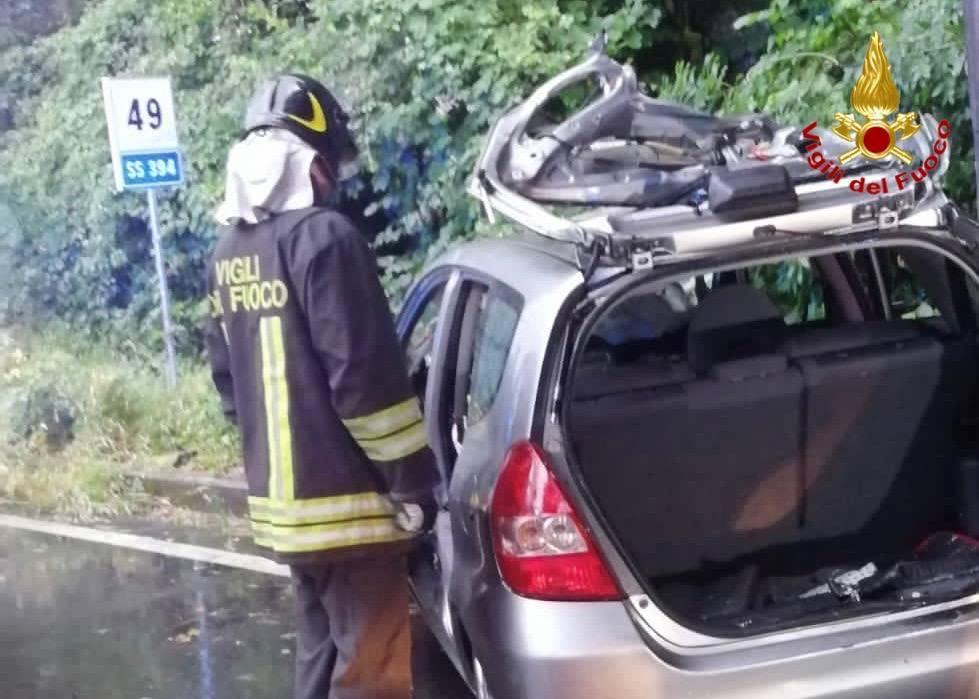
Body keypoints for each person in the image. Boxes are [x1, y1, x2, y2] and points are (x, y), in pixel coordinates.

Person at [205, 74, 440, 699]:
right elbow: (365, 385)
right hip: (353, 515)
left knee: (320, 659)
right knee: (371, 671)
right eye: (329, 166)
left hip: (286, 517)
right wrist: (414, 482)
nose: (332, 181)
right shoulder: (326, 239)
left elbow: (229, 387)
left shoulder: (227, 254)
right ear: (312, 165)